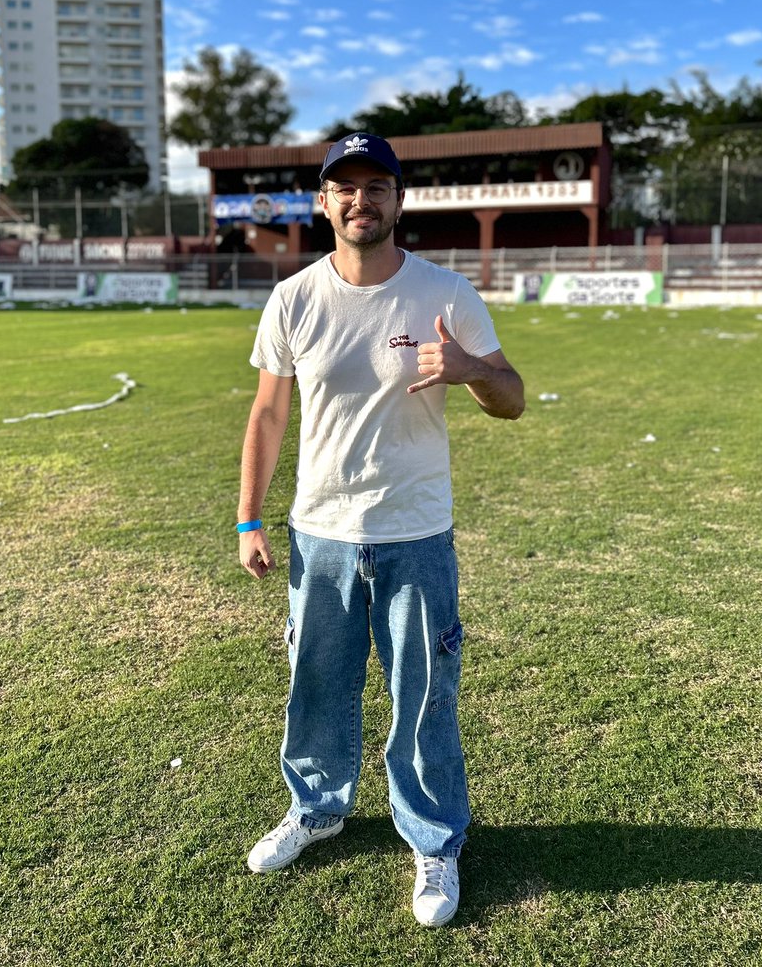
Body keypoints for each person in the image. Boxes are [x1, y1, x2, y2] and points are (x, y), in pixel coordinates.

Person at [237, 131, 524, 927]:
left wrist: (472, 373)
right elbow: (267, 413)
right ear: (324, 202)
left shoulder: (446, 294)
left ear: (400, 201)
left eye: (377, 187)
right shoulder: (293, 297)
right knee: (317, 686)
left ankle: (434, 837)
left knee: (423, 693)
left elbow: (514, 397)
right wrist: (248, 518)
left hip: (415, 534)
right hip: (318, 533)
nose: (360, 200)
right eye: (345, 187)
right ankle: (317, 807)